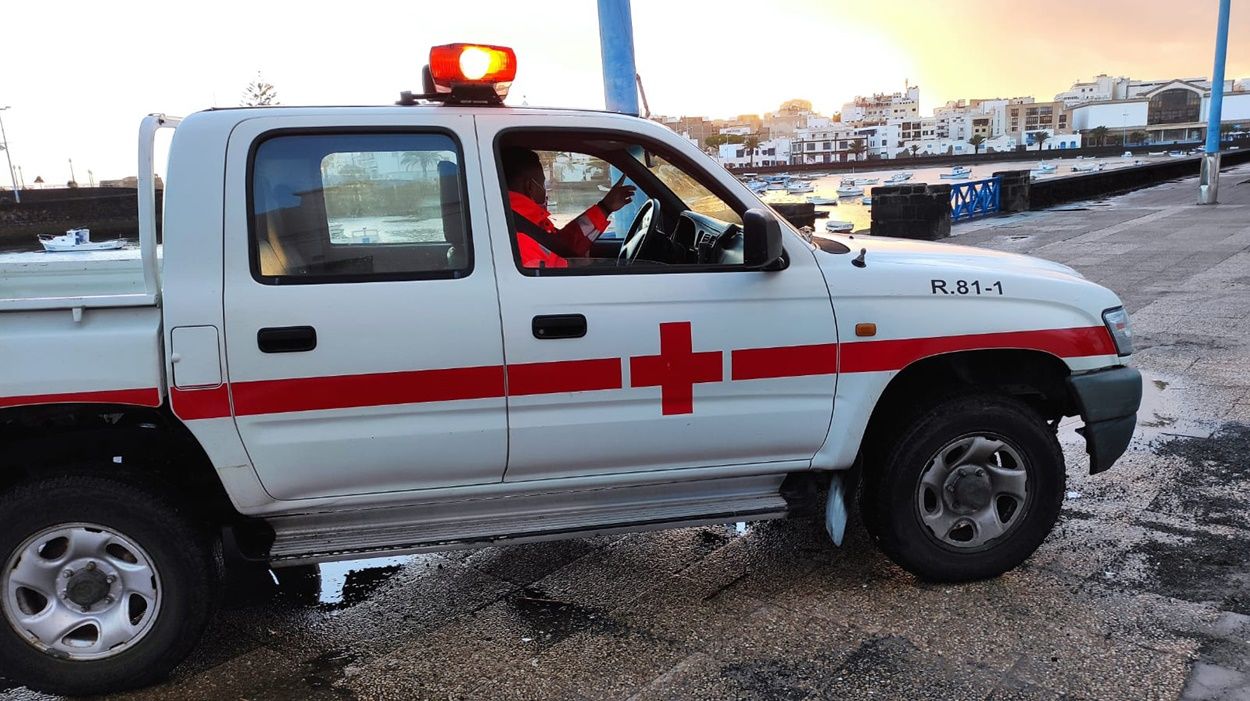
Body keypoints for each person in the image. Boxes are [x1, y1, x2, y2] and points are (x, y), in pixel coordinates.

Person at [501, 147, 636, 268]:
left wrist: (605, 207)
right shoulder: (517, 233)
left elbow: (562, 245)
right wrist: (579, 265)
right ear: (530, 187)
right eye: (543, 184)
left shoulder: (521, 220)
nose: (545, 191)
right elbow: (549, 280)